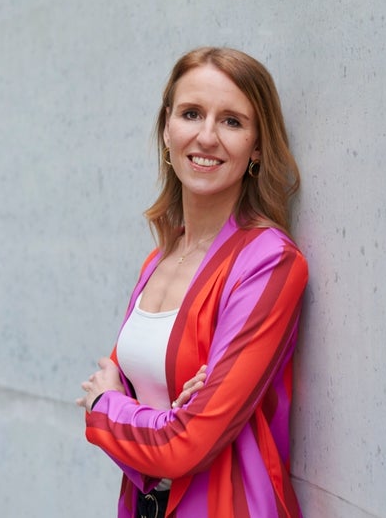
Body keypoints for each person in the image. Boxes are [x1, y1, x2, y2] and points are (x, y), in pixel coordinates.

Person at [76, 47, 307, 518]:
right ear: (166, 128)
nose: (207, 137)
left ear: (257, 146)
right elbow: (150, 412)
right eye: (191, 114)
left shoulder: (269, 262)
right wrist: (159, 417)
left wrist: (106, 406)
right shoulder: (158, 259)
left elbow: (185, 444)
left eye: (232, 122)